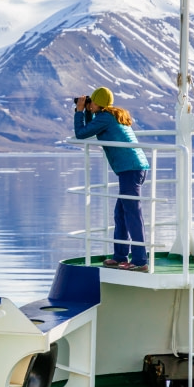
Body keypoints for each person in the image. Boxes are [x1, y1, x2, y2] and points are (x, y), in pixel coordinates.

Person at [74, 87, 151, 272]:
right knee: (121, 214)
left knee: (132, 214)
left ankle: (140, 261)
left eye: (91, 101)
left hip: (130, 169)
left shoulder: (106, 118)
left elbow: (81, 133)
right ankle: (120, 256)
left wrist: (79, 112)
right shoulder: (111, 115)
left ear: (97, 103)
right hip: (133, 168)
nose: (89, 104)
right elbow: (91, 128)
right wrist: (87, 111)